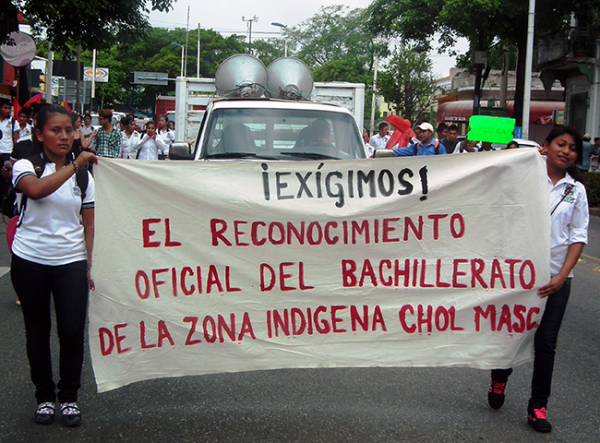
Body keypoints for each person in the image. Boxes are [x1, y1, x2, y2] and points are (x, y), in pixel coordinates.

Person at [487, 126, 588, 433]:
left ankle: (537, 406)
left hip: (555, 280)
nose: (567, 151)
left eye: (573, 148)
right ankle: (499, 378)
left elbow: (578, 236)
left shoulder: (576, 191)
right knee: (514, 334)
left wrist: (561, 277)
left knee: (546, 344)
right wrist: (526, 156)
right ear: (546, 146)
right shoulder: (525, 178)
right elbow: (495, 178)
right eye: (561, 144)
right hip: (522, 275)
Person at [10, 105, 97, 427]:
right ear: (39, 135)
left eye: (69, 130)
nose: (63, 136)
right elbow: (35, 190)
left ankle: (70, 397)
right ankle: (45, 397)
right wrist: (75, 163)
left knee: (72, 332)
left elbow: (90, 223)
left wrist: (91, 263)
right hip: (29, 260)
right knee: (37, 332)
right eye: (55, 130)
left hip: (70, 262)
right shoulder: (26, 165)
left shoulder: (85, 176)